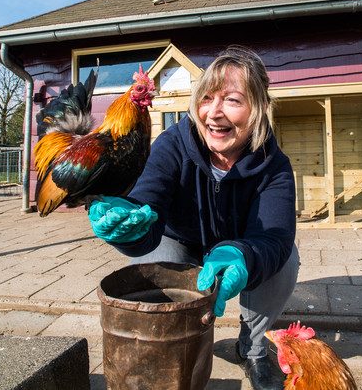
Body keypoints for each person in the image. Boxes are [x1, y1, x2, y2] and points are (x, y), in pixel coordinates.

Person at [88, 45, 299, 390]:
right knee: (159, 259)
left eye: (232, 100)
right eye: (206, 98)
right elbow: (147, 204)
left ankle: (253, 349)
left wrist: (243, 255)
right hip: (180, 241)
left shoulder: (274, 166)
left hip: (239, 246)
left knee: (284, 261)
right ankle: (177, 344)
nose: (213, 113)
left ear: (259, 109)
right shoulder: (172, 145)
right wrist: (128, 226)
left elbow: (274, 236)